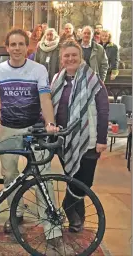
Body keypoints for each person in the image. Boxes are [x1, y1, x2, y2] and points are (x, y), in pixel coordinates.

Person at [0, 28, 62, 248]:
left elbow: (45, 99)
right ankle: (15, 215)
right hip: (8, 129)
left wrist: (49, 123)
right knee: (10, 176)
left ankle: (52, 227)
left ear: (27, 46)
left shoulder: (38, 69)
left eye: (21, 44)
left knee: (43, 177)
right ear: (7, 47)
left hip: (35, 129)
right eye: (13, 44)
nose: (17, 48)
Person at [51, 39, 109, 233]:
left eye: (74, 55)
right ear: (61, 59)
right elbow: (51, 107)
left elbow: (103, 109)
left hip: (89, 139)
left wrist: (102, 139)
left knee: (85, 181)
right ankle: (77, 218)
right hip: (64, 139)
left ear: (80, 57)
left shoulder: (93, 79)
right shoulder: (57, 80)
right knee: (72, 177)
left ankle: (68, 206)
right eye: (66, 55)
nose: (70, 59)